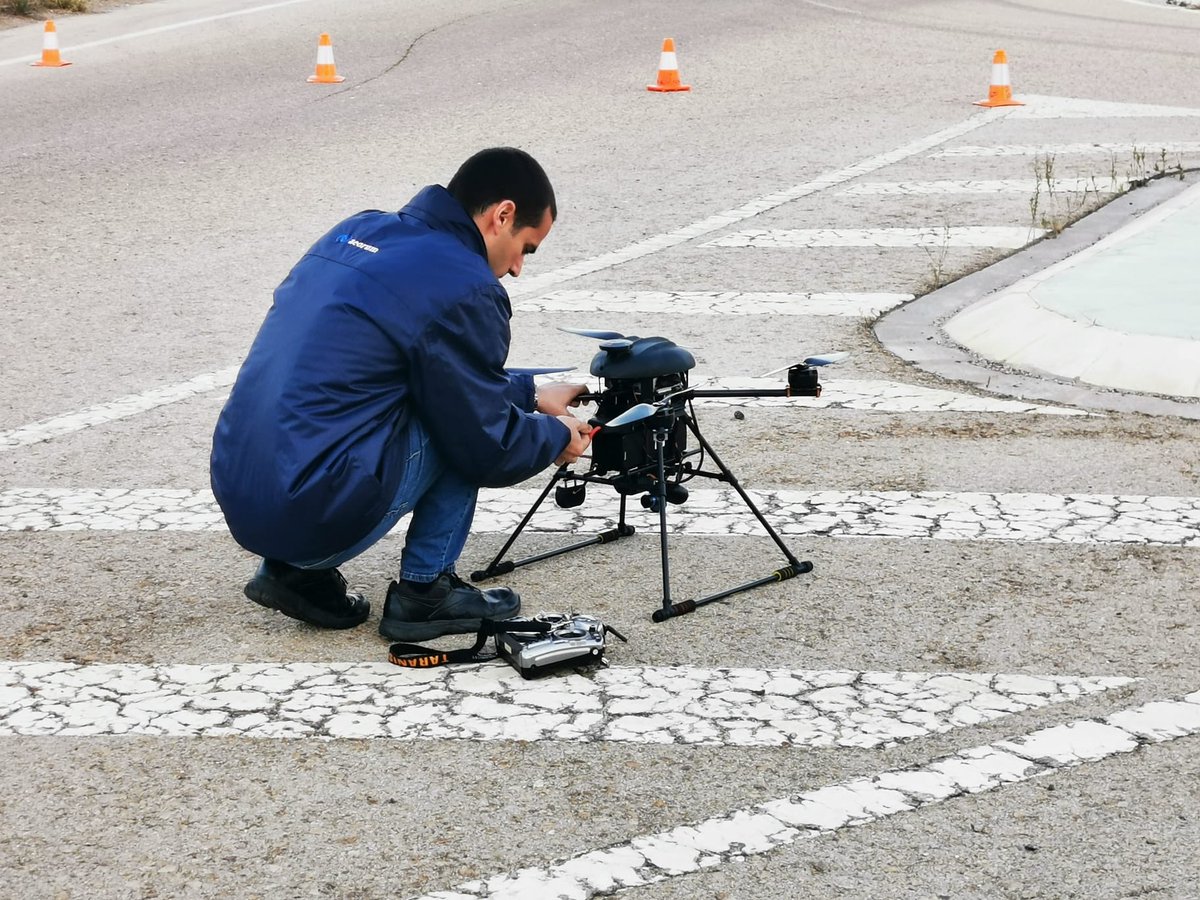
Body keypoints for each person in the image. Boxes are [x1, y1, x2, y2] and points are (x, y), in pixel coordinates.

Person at [210, 147, 592, 642]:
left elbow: (421, 365)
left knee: (412, 402)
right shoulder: (465, 283)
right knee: (458, 429)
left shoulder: (360, 230)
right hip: (311, 509)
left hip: (248, 490)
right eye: (527, 247)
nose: (519, 267)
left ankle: (294, 575)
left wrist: (532, 392)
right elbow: (483, 438)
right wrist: (551, 435)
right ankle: (425, 592)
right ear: (503, 215)